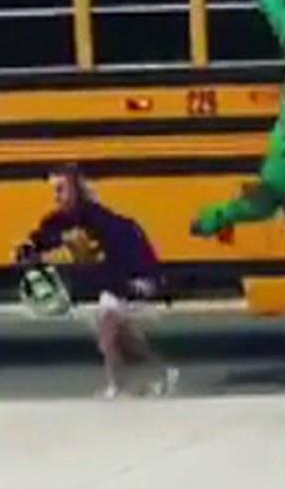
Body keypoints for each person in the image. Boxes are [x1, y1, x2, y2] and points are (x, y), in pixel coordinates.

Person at [16, 164, 179, 399]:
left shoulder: (102, 221)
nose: (57, 196)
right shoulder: (58, 222)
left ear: (76, 190)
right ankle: (163, 373)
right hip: (110, 284)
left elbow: (131, 250)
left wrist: (141, 282)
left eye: (61, 190)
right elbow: (39, 240)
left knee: (108, 331)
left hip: (131, 279)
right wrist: (28, 251)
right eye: (56, 191)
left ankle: (117, 386)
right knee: (126, 341)